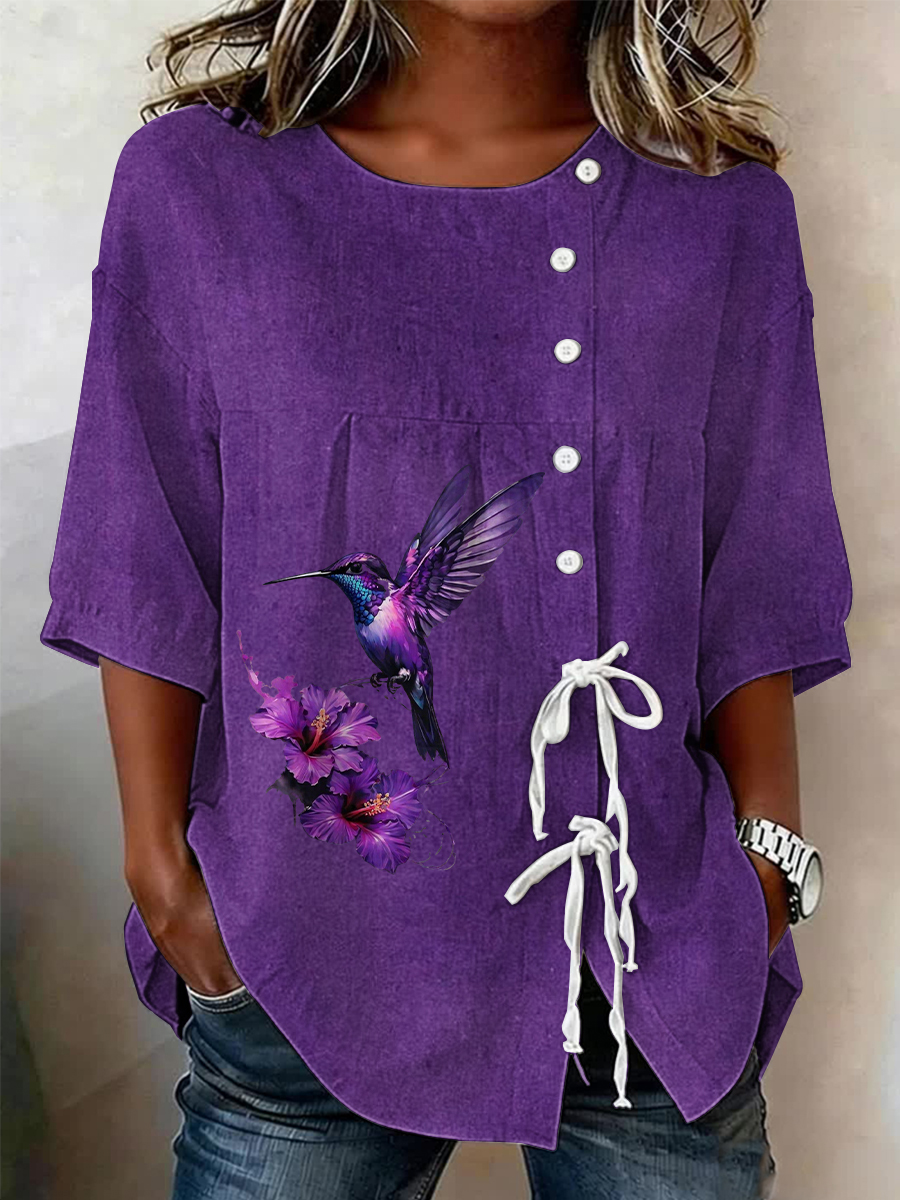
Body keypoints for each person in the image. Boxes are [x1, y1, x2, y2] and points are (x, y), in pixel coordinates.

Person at [40, 1, 853, 1196]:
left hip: (651, 955)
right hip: (300, 955)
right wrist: (165, 880)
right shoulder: (200, 186)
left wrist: (767, 872)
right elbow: (141, 539)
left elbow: (758, 570)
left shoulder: (719, 211)